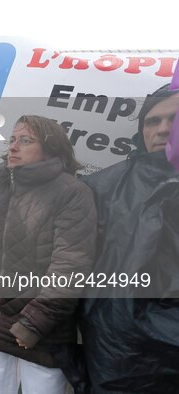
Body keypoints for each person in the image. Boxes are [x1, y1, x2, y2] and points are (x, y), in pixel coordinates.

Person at [0, 115, 97, 394]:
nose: (13, 146)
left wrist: (34, 322)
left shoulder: (73, 193)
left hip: (40, 331)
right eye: (12, 139)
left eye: (25, 140)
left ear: (51, 148)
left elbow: (70, 265)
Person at [81, 85, 179, 393]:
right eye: (153, 121)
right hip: (116, 353)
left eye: (174, 119)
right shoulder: (105, 185)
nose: (162, 129)